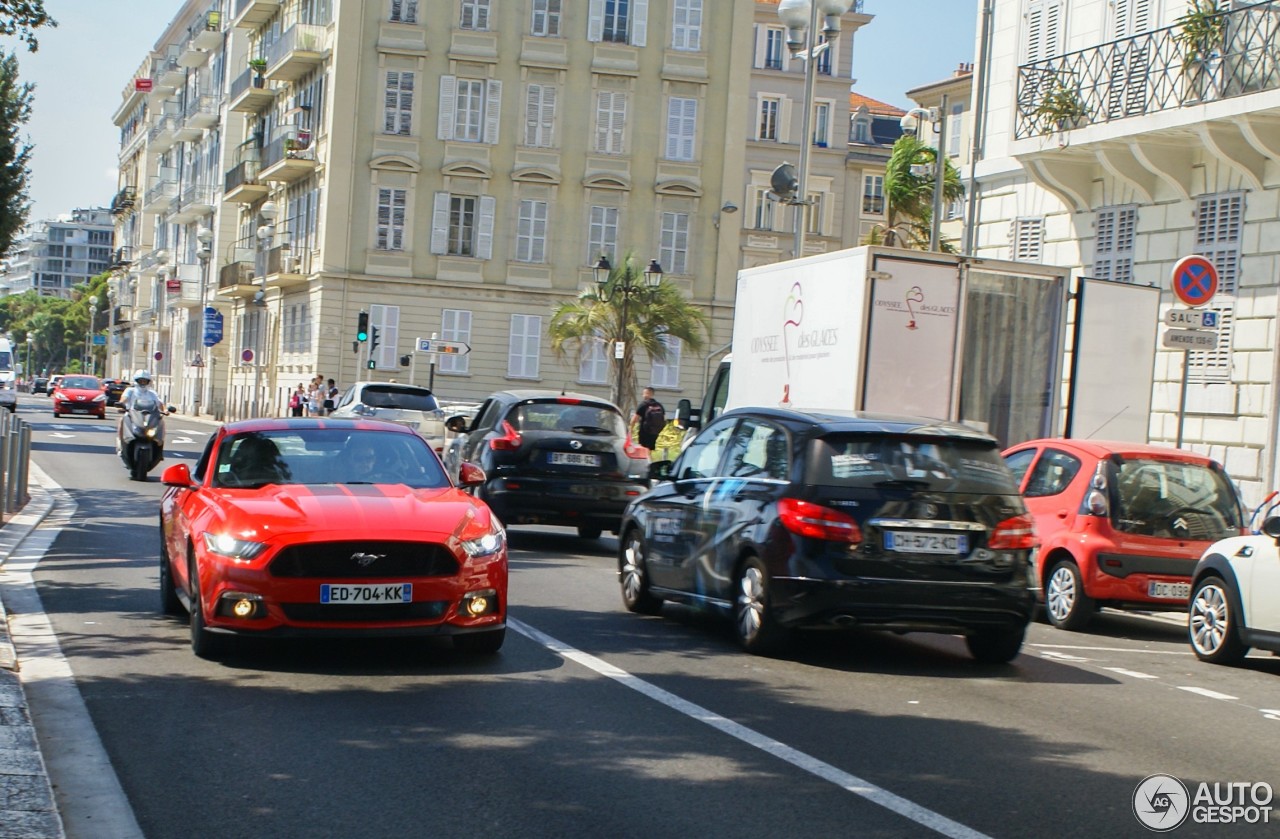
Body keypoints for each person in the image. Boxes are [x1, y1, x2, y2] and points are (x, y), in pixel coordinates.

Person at [632, 386, 666, 451]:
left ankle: (645, 461)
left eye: (645, 393)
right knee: (650, 449)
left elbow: (635, 418)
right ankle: (649, 460)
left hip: (644, 431)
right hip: (655, 432)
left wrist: (630, 430)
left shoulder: (643, 404)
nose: (644, 395)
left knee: (643, 449)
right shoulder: (659, 405)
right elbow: (664, 419)